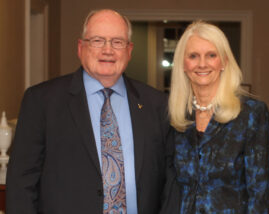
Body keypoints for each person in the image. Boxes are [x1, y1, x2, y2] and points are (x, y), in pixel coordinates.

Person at [6, 9, 177, 214]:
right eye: (97, 40)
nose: (108, 50)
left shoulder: (156, 104)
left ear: (129, 50)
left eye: (117, 42)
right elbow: (21, 183)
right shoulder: (42, 101)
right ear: (80, 48)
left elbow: (170, 181)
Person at [168, 20, 269, 213]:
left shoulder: (251, 114)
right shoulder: (175, 115)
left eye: (211, 55)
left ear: (224, 61)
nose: (202, 64)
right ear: (183, 63)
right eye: (193, 56)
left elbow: (259, 193)